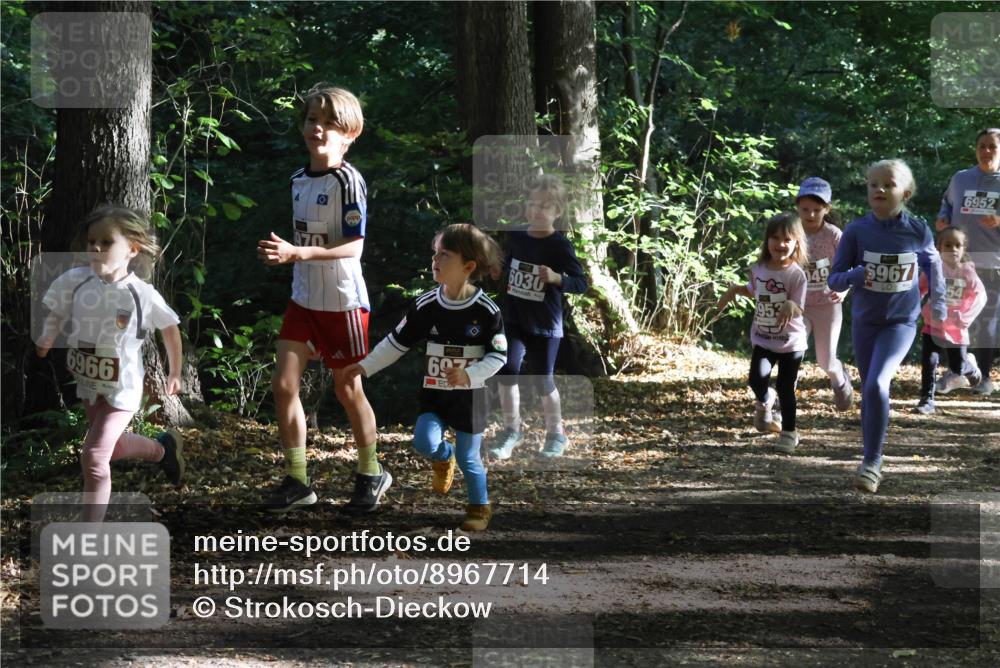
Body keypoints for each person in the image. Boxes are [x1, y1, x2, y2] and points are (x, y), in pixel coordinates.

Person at [257, 84, 387, 513]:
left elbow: (354, 247)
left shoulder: (348, 181)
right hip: (303, 298)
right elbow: (303, 240)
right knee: (283, 385)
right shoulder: (297, 179)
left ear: (350, 133)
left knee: (348, 389)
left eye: (330, 124)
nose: (319, 129)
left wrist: (299, 252)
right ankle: (298, 480)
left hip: (343, 301)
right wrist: (286, 256)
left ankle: (372, 472)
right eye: (313, 120)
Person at [345, 224, 506, 531]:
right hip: (435, 396)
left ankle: (478, 508)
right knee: (423, 441)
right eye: (435, 253)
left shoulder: (486, 310)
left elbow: (499, 355)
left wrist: (469, 374)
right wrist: (365, 366)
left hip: (471, 399)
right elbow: (396, 341)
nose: (435, 260)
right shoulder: (425, 305)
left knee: (469, 457)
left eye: (444, 254)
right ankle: (443, 457)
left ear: (468, 266)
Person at [36, 205, 185, 522]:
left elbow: (170, 330)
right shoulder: (75, 280)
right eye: (92, 242)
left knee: (94, 456)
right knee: (112, 448)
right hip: (89, 383)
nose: (96, 248)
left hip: (124, 387)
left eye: (106, 242)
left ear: (132, 249)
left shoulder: (141, 293)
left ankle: (90, 533)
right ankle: (162, 450)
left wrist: (174, 371)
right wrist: (48, 336)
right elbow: (58, 311)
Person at [829, 159, 946, 493]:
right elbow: (834, 280)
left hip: (901, 322)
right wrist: (853, 276)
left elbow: (933, 263)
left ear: (904, 193)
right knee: (869, 389)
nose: (879, 189)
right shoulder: (856, 230)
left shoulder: (917, 229)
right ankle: (870, 456)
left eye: (888, 184)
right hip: (866, 323)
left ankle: (872, 461)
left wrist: (937, 305)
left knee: (879, 384)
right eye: (873, 184)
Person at [489, 175, 588, 460]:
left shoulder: (559, 245)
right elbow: (508, 263)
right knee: (507, 371)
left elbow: (581, 283)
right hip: (514, 318)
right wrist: (499, 270)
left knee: (543, 380)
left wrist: (557, 278)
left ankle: (556, 434)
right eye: (532, 204)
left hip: (545, 325)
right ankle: (511, 431)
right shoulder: (518, 235)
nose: (536, 211)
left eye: (544, 206)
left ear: (557, 212)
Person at [718, 212, 809, 454]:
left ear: (796, 243)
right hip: (764, 338)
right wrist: (735, 291)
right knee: (756, 379)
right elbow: (754, 289)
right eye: (775, 238)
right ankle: (766, 400)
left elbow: (799, 306)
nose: (780, 244)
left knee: (786, 387)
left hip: (791, 342)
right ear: (767, 241)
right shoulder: (758, 269)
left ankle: (789, 432)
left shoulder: (796, 275)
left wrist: (792, 305)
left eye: (787, 239)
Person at [935, 128, 1000, 396]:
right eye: (982, 146)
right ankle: (957, 371)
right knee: (952, 319)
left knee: (988, 323)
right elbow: (946, 205)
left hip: (994, 264)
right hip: (959, 264)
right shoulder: (961, 179)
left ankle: (985, 377)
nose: (986, 151)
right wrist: (942, 220)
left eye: (992, 147)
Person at [795, 177, 854, 411]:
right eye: (805, 209)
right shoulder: (791, 230)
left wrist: (845, 289)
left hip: (827, 305)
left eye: (816, 210)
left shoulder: (834, 235)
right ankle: (782, 404)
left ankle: (840, 381)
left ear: (827, 209)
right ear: (797, 207)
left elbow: (850, 265)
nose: (810, 215)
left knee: (825, 360)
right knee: (793, 354)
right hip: (797, 306)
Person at [915, 226, 987, 413]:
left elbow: (980, 296)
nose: (953, 249)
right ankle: (926, 400)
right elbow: (919, 289)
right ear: (939, 247)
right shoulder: (933, 269)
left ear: (963, 249)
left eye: (958, 245)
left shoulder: (967, 272)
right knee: (929, 362)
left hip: (957, 330)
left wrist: (964, 317)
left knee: (957, 367)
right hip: (933, 325)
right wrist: (912, 308)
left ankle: (970, 367)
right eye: (948, 245)